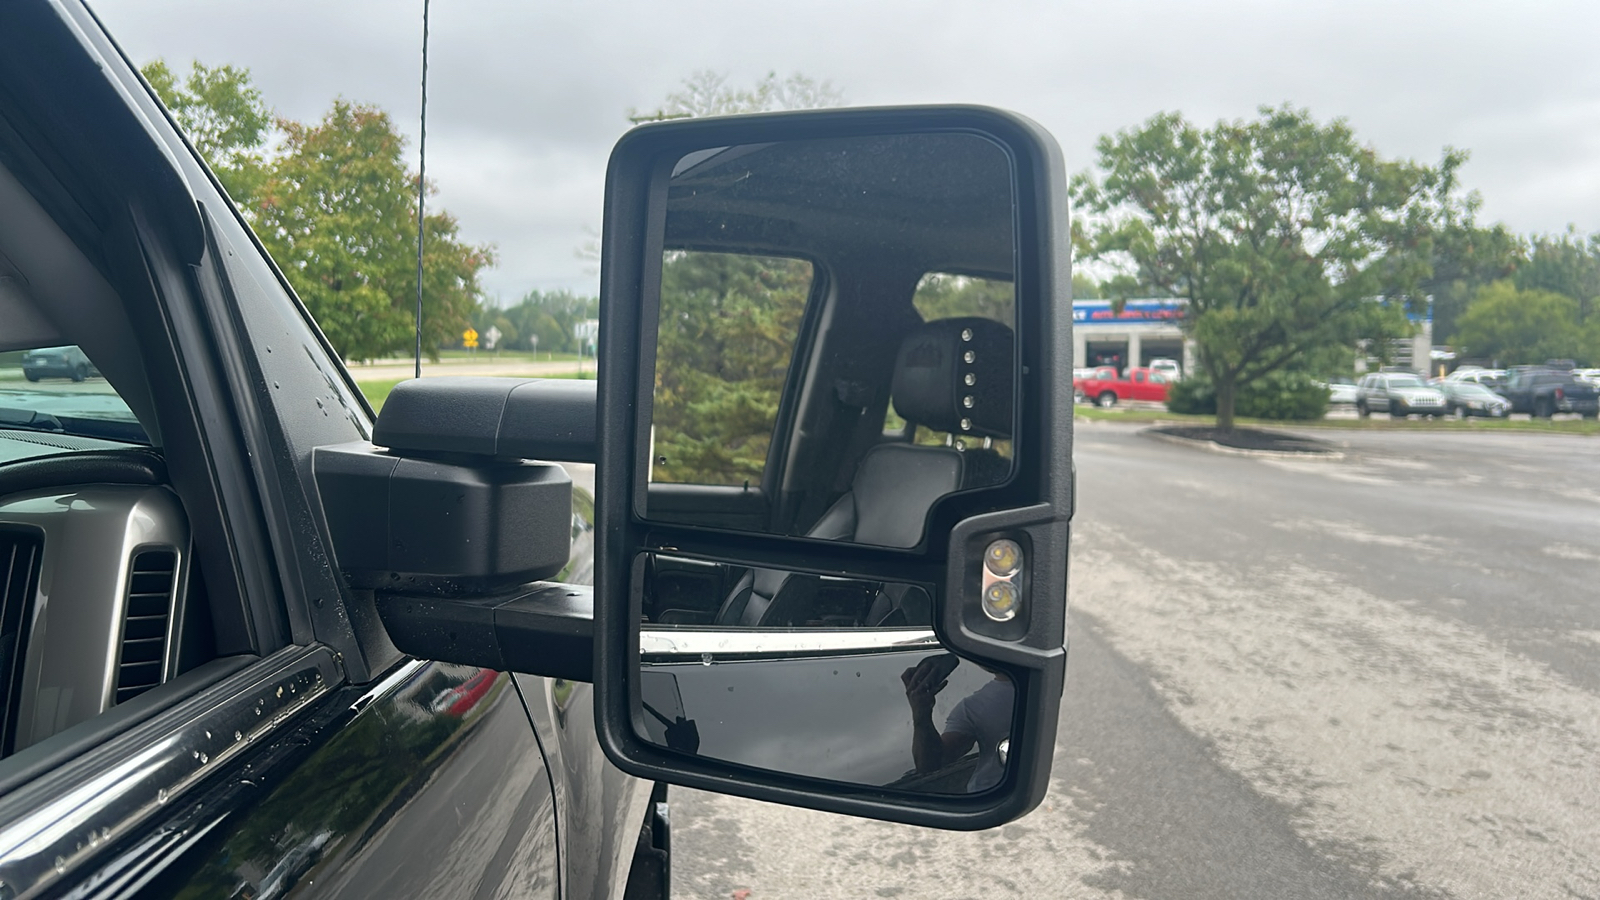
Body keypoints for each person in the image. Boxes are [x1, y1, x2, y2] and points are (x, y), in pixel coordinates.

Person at [901, 654, 1015, 792]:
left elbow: (932, 763)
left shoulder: (973, 706)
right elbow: (932, 763)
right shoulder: (972, 708)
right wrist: (921, 713)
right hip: (992, 799)